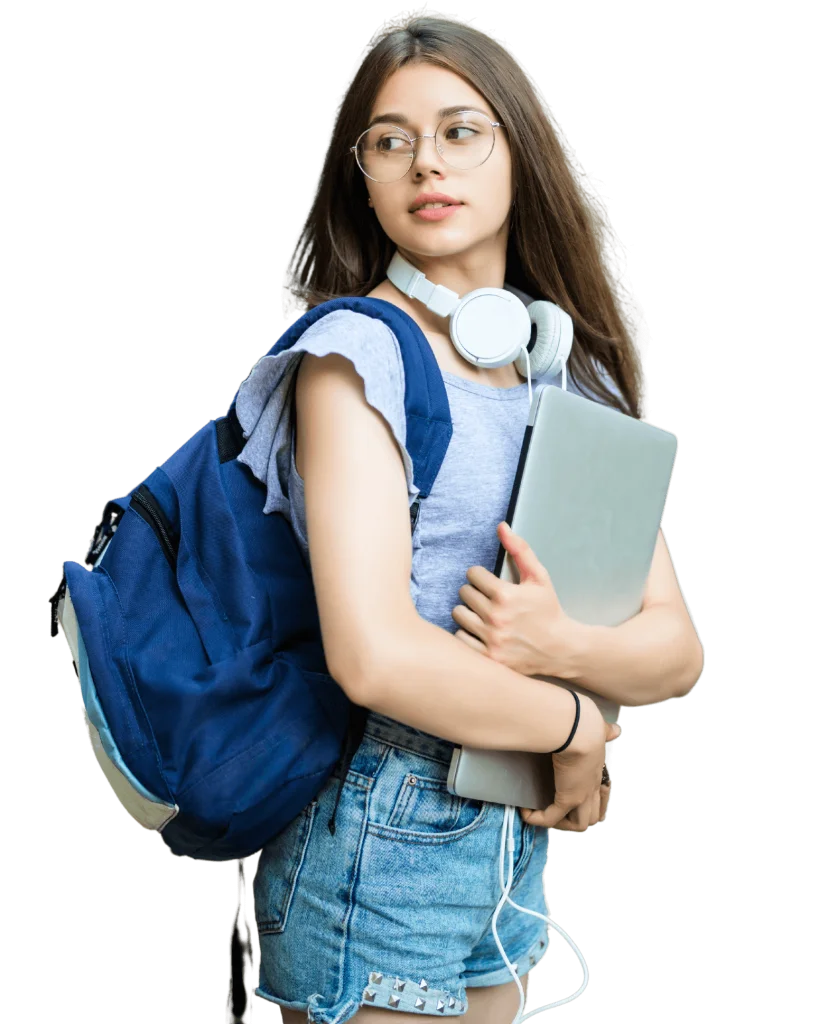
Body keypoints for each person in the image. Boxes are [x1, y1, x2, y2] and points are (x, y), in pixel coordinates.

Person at [239, 12, 703, 1024]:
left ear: (518, 153)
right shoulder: (355, 356)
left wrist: (561, 643)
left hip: (508, 839)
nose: (424, 164)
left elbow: (674, 649)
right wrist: (577, 716)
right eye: (389, 140)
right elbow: (376, 657)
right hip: (378, 827)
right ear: (361, 176)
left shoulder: (569, 375)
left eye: (459, 131)